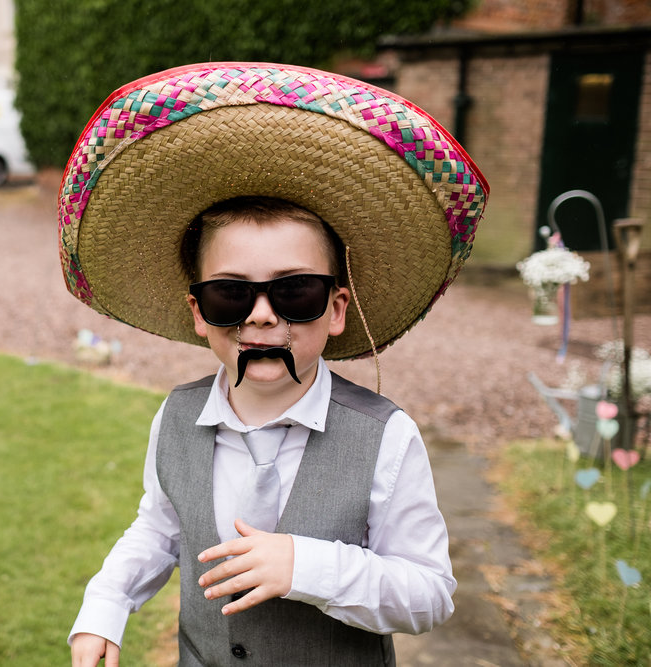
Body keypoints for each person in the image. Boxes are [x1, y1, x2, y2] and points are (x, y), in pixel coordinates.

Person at [58, 63, 489, 666]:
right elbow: (161, 528)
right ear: (199, 313)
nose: (262, 319)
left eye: (294, 294)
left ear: (336, 309)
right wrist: (105, 605)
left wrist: (307, 566)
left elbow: (429, 594)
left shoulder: (386, 437)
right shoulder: (177, 418)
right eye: (231, 295)